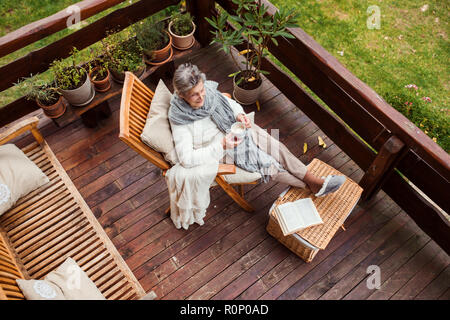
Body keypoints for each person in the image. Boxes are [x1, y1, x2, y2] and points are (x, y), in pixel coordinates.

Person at [168, 63, 345, 198]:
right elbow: (186, 159)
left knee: (276, 148)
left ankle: (313, 181)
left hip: (236, 128)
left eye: (202, 90)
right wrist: (221, 145)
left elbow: (230, 103)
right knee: (269, 163)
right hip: (221, 149)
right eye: (195, 95)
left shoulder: (209, 93)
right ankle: (312, 185)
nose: (202, 97)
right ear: (182, 95)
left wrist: (239, 115)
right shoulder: (181, 121)